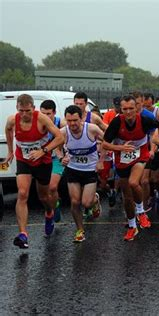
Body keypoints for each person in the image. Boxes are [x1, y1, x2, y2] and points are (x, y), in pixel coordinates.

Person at [5, 94, 65, 248]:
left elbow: (59, 138)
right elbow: (8, 130)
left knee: (43, 197)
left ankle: (49, 213)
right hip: (23, 159)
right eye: (21, 111)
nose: (24, 114)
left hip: (42, 161)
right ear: (17, 108)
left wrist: (43, 151)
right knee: (23, 193)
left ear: (33, 108)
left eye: (27, 111)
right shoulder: (13, 119)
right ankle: (23, 234)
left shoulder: (41, 119)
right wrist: (10, 151)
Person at [102, 95, 159, 241]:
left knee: (134, 182)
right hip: (122, 158)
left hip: (140, 154)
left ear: (137, 108)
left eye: (131, 109)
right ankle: (132, 226)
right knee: (127, 198)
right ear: (121, 109)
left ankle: (141, 212)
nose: (128, 112)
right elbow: (105, 144)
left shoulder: (146, 120)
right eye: (125, 109)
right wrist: (120, 147)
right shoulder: (116, 122)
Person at [60, 105, 105, 242]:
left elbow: (107, 141)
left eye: (75, 120)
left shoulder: (91, 129)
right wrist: (62, 157)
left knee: (86, 203)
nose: (72, 124)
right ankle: (80, 230)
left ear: (81, 118)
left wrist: (101, 160)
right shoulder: (63, 132)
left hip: (90, 169)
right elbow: (56, 146)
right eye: (69, 121)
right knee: (74, 202)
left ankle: (95, 200)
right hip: (73, 169)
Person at [39, 100, 66, 222]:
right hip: (41, 159)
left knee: (52, 187)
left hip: (56, 158)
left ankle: (55, 207)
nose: (45, 116)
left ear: (54, 113)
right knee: (43, 192)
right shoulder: (37, 123)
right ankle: (53, 205)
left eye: (48, 113)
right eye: (42, 113)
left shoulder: (61, 123)